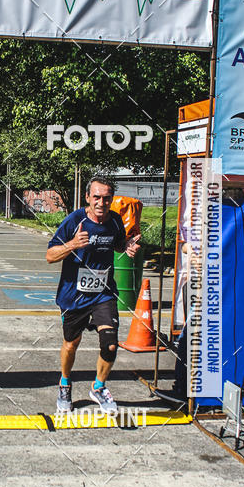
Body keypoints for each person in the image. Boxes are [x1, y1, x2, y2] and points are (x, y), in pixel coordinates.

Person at [46, 175, 141, 414]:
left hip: (103, 293)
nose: (101, 203)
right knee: (71, 343)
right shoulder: (74, 221)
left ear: (111, 199)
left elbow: (117, 243)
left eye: (106, 198)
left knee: (110, 345)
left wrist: (127, 246)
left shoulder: (115, 221)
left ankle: (98, 387)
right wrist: (72, 245)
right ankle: (65, 384)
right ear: (87, 197)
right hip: (73, 295)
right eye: (96, 197)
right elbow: (50, 255)